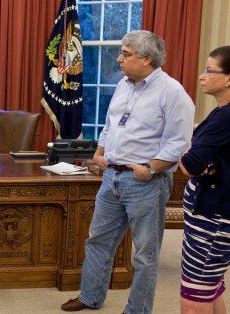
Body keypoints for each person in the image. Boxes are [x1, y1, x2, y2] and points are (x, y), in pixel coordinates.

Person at [60, 30, 195, 313]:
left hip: (145, 181)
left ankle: (138, 310)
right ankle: (90, 296)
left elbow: (179, 142)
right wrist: (99, 153)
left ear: (146, 59)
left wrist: (150, 168)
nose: (119, 59)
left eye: (126, 54)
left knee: (144, 255)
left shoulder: (173, 93)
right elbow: (112, 125)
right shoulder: (123, 84)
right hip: (112, 177)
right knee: (98, 240)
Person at [179, 45, 230, 314]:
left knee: (193, 297)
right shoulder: (221, 111)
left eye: (210, 71)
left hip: (214, 217)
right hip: (213, 214)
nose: (202, 76)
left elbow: (189, 164)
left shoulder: (225, 116)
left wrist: (188, 153)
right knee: (210, 287)